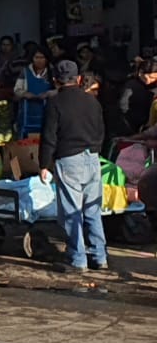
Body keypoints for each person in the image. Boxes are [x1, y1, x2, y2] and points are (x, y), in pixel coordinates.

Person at [40, 60, 109, 275]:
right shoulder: (92, 101)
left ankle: (78, 259)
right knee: (93, 210)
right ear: (79, 79)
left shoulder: (55, 102)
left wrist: (44, 164)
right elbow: (101, 131)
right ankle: (100, 256)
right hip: (93, 158)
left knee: (72, 212)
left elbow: (49, 136)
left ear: (55, 81)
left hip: (69, 159)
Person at [13, 49, 55, 138]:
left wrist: (47, 94)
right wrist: (25, 94)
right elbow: (17, 90)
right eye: (36, 57)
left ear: (46, 59)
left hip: (47, 112)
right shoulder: (25, 72)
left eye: (42, 57)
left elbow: (59, 90)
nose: (39, 60)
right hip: (27, 113)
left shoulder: (53, 71)